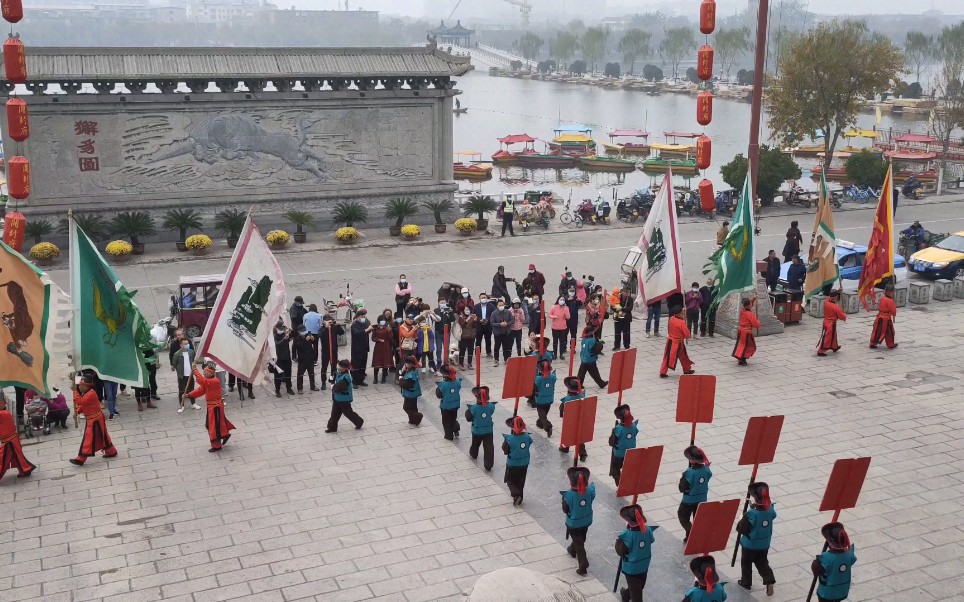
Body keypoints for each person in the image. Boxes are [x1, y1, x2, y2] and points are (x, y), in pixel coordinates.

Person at [184, 361, 235, 452]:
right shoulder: (209, 381)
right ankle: (224, 434)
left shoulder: (214, 381)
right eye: (203, 372)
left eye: (205, 372)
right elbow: (201, 390)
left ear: (210, 373)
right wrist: (189, 395)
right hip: (213, 407)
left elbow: (201, 381)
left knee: (213, 426)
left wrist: (195, 370)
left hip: (215, 407)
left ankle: (217, 445)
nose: (203, 373)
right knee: (215, 424)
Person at [736, 482, 777, 596]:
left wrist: (743, 517)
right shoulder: (770, 511)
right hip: (764, 544)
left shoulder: (751, 514)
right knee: (762, 563)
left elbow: (741, 529)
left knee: (746, 563)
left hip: (750, 545)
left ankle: (746, 582)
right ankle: (769, 581)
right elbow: (772, 515)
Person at [70, 374, 118, 465]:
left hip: (94, 420)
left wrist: (74, 391)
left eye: (80, 385)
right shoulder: (87, 392)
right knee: (103, 435)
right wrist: (78, 410)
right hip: (94, 419)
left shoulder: (91, 393)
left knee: (88, 439)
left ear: (86, 386)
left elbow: (81, 401)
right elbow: (84, 405)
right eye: (79, 385)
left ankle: (81, 458)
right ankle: (111, 451)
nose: (79, 387)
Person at [615, 504, 658, 602]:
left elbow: (620, 551)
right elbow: (651, 540)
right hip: (644, 565)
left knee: (637, 595)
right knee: (638, 587)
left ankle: (626, 594)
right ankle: (626, 594)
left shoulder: (627, 535)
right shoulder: (647, 530)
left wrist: (619, 541)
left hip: (632, 568)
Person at [562, 466, 595, 576]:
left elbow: (565, 510)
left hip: (574, 523)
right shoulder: (590, 491)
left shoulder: (569, 495)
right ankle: (572, 549)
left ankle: (583, 564)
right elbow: (592, 493)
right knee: (581, 538)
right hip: (586, 520)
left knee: (579, 543)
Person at [812, 522, 857, 602]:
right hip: (841, 591)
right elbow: (852, 559)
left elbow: (817, 570)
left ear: (831, 541)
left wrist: (816, 562)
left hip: (826, 593)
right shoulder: (849, 555)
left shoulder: (825, 558)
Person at [677, 445, 712, 542]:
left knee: (683, 516)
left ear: (692, 461)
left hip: (688, 501)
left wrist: (682, 478)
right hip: (701, 499)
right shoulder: (706, 469)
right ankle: (692, 536)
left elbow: (682, 488)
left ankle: (690, 531)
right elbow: (708, 476)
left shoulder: (689, 472)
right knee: (697, 519)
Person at [0, 394, 35, 479]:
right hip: (11, 440)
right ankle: (25, 470)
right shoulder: (5, 413)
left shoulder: (3, 414)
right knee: (17, 457)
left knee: (2, 459)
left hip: (9, 441)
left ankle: (25, 469)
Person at [326, 359, 364, 432]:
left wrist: (333, 386)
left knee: (348, 413)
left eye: (339, 366)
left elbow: (339, 387)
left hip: (344, 399)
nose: (338, 367)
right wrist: (331, 378)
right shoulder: (338, 373)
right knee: (334, 413)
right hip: (337, 398)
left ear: (344, 368)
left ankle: (359, 422)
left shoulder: (346, 378)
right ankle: (332, 427)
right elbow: (332, 380)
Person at [502, 416, 532, 505]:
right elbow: (529, 443)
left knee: (509, 479)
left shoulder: (509, 439)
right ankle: (520, 498)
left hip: (512, 463)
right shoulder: (527, 436)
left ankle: (516, 494)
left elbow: (505, 450)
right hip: (524, 463)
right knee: (520, 480)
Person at [466, 385, 496, 471]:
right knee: (489, 447)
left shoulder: (473, 408)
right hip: (488, 430)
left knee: (475, 444)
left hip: (477, 430)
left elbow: (468, 418)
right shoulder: (491, 406)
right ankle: (488, 464)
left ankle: (473, 454)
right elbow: (491, 412)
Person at [660, 306, 695, 378]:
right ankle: (686, 370)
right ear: (679, 314)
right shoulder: (681, 322)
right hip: (678, 343)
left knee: (667, 356)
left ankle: (663, 372)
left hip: (670, 341)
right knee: (683, 357)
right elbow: (687, 334)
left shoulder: (671, 318)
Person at [558, 377, 587, 461]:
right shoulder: (582, 396)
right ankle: (582, 454)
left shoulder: (567, 399)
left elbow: (562, 409)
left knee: (568, 434)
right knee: (579, 436)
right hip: (580, 420)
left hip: (570, 421)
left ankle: (565, 448)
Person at [609, 404, 638, 486]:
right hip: (630, 452)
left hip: (619, 454)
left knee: (615, 470)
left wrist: (614, 430)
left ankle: (620, 484)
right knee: (627, 469)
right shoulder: (634, 426)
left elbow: (611, 442)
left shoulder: (618, 429)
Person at [435, 364, 462, 440]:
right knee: (453, 418)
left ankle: (449, 435)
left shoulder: (443, 384)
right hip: (455, 405)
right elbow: (458, 387)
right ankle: (456, 429)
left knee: (446, 421)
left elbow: (439, 395)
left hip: (446, 407)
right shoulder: (457, 382)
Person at [172, 338, 198, 413]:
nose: (187, 345)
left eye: (188, 343)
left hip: (190, 375)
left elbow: (193, 360)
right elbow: (174, 364)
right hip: (181, 376)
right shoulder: (177, 354)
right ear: (181, 345)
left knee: (192, 390)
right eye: (185, 344)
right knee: (181, 391)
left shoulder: (191, 352)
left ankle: (193, 403)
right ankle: (182, 405)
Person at [817, 290, 847, 356]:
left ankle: (834, 347)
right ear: (835, 297)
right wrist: (844, 315)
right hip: (831, 323)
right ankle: (821, 351)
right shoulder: (835, 307)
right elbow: (841, 315)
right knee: (828, 337)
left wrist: (838, 290)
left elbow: (829, 297)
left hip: (826, 321)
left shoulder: (826, 302)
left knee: (833, 335)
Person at [532, 360, 557, 437]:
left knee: (542, 415)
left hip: (540, 400)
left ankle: (548, 426)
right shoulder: (553, 377)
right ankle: (539, 423)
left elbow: (535, 388)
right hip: (549, 399)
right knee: (544, 413)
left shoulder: (538, 379)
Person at [733, 298, 761, 366]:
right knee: (748, 347)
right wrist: (758, 321)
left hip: (741, 331)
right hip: (747, 333)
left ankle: (740, 358)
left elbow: (749, 303)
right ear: (748, 306)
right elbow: (756, 325)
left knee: (741, 345)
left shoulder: (742, 310)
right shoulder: (750, 314)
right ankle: (742, 360)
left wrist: (753, 299)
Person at [398, 355, 424, 426]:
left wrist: (400, 379)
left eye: (408, 363)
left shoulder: (411, 374)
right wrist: (403, 373)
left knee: (406, 407)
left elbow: (405, 385)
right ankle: (413, 420)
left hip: (410, 394)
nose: (406, 364)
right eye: (406, 363)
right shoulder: (412, 370)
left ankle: (417, 416)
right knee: (413, 407)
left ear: (412, 364)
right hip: (413, 393)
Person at [292, 326, 319, 393]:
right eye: (302, 331)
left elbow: (315, 343)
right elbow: (298, 346)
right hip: (302, 359)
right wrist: (305, 340)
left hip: (310, 358)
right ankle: (300, 388)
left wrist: (313, 339)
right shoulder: (297, 339)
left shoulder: (308, 336)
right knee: (300, 374)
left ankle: (312, 386)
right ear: (298, 331)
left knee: (311, 373)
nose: (303, 332)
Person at [870, 285, 898, 349]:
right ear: (891, 292)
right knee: (889, 332)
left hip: (879, 317)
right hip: (886, 319)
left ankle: (873, 343)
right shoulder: (890, 301)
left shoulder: (882, 298)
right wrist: (894, 314)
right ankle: (890, 344)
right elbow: (893, 311)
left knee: (877, 330)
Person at [349, 310, 372, 387]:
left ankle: (361, 379)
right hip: (357, 349)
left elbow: (367, 330)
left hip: (364, 348)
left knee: (363, 364)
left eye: (364, 316)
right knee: (356, 365)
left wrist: (370, 328)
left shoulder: (364, 323)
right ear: (358, 317)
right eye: (362, 316)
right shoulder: (354, 325)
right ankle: (354, 381)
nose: (363, 318)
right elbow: (357, 333)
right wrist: (366, 330)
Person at [371, 313, 396, 383]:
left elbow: (391, 337)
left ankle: (383, 377)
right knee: (377, 363)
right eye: (381, 320)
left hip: (386, 347)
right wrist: (378, 339)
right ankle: (375, 378)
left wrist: (389, 331)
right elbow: (373, 338)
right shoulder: (376, 328)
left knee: (386, 363)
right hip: (378, 348)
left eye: (384, 320)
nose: (383, 322)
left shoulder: (387, 328)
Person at [273, 321, 294, 397]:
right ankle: (277, 390)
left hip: (287, 357)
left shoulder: (285, 334)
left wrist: (291, 332)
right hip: (279, 359)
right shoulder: (275, 336)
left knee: (288, 374)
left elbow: (292, 337)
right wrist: (284, 339)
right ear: (276, 328)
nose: (281, 330)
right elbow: (278, 344)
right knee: (278, 376)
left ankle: (289, 388)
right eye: (280, 328)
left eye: (283, 328)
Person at [490, 299, 514, 366]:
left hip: (506, 333)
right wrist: (500, 324)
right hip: (498, 333)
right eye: (500, 305)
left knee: (506, 346)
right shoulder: (494, 313)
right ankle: (496, 359)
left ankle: (506, 359)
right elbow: (492, 323)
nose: (501, 306)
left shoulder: (508, 312)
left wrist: (507, 323)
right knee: (497, 346)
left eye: (502, 305)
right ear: (497, 306)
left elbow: (512, 320)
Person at [433, 297, 455, 368]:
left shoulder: (448, 310)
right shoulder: (436, 310)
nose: (443, 304)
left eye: (444, 302)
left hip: (447, 332)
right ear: (438, 303)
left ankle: (446, 361)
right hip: (438, 332)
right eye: (441, 303)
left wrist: (450, 312)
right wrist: (440, 312)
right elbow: (435, 319)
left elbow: (452, 319)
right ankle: (439, 361)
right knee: (438, 348)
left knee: (446, 348)